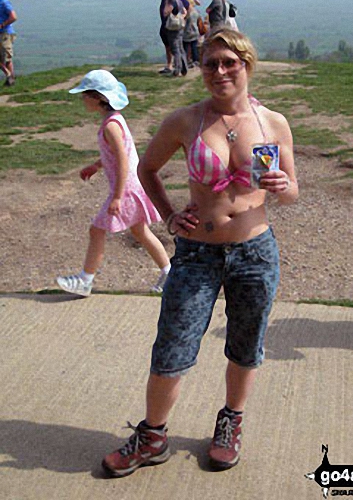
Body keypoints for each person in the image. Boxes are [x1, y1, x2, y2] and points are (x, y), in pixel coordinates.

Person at [102, 28, 298, 476]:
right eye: (210, 63)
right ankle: (152, 436)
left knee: (246, 345)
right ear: (201, 69)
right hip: (196, 253)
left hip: (255, 252)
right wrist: (169, 217)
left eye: (230, 62)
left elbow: (291, 191)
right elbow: (146, 168)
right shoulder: (185, 121)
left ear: (247, 65)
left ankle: (231, 422)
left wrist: (284, 186)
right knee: (172, 346)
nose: (220, 71)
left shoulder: (273, 123)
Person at [56, 70, 170, 297]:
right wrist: (96, 166)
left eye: (85, 95)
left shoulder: (110, 126)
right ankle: (170, 273)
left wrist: (117, 196)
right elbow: (117, 153)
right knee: (140, 231)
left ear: (97, 97)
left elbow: (123, 160)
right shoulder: (114, 120)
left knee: (96, 230)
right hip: (133, 185)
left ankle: (84, 280)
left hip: (125, 188)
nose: (82, 99)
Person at [163, 0, 188, 77]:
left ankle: (177, 69)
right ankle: (184, 68)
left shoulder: (172, 2)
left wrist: (166, 2)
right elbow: (185, 12)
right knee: (181, 48)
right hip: (180, 27)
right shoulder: (180, 2)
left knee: (175, 49)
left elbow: (165, 12)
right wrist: (181, 17)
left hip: (172, 28)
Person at [0, 0, 17, 86]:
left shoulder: (4, 2)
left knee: (6, 58)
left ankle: (10, 79)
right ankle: (9, 76)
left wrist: (2, 25)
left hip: (5, 33)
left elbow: (13, 17)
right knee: (4, 59)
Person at [158, 0, 175, 75]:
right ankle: (169, 65)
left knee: (174, 46)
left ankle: (176, 65)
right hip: (165, 25)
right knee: (168, 47)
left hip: (173, 26)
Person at [183, 0, 201, 66]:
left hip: (187, 31)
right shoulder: (196, 12)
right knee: (194, 46)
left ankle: (186, 60)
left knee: (186, 46)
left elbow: (184, 21)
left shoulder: (188, 12)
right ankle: (195, 60)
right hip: (195, 30)